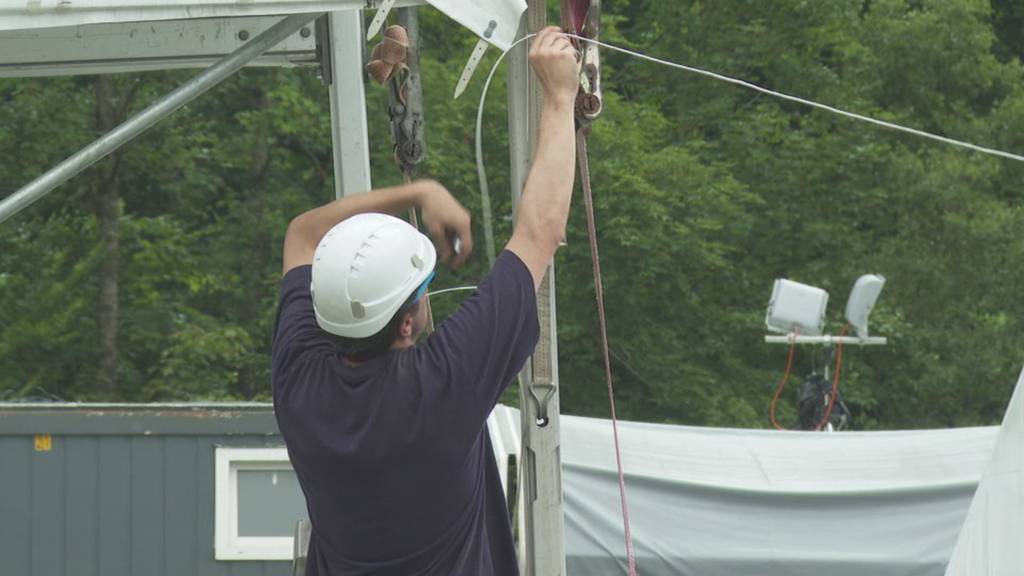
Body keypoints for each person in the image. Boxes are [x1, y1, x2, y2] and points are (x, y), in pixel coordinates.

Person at [272, 26, 580, 576]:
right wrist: (560, 96)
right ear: (410, 324)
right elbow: (542, 231)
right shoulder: (440, 386)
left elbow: (301, 235)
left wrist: (416, 192)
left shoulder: (302, 384)